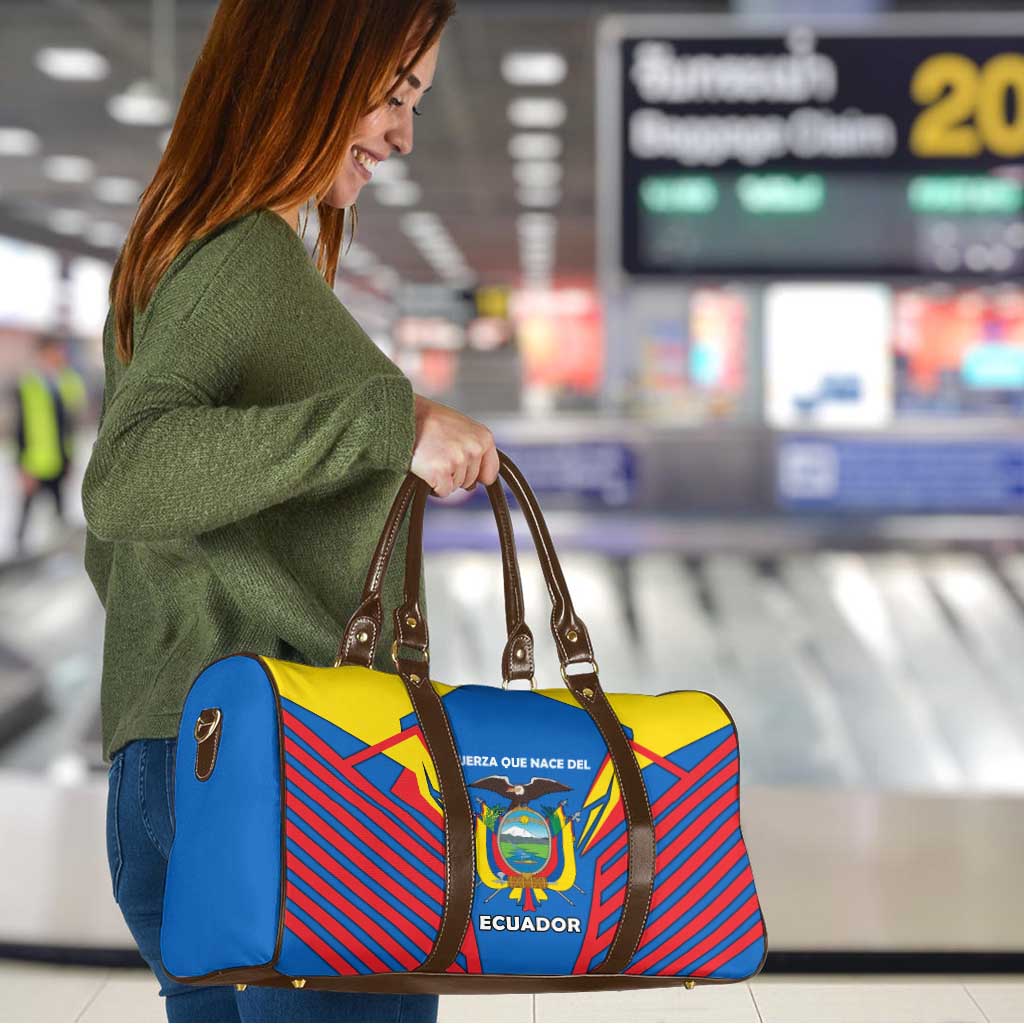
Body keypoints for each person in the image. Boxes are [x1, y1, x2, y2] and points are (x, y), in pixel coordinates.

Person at [81, 2, 496, 1021]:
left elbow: (131, 539)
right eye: (395, 94)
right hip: (296, 773)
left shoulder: (186, 252)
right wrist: (384, 424)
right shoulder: (240, 260)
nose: (402, 132)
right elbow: (126, 477)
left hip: (184, 757)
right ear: (307, 64)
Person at [11, 332, 85, 555]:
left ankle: (59, 553)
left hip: (60, 459)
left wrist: (70, 458)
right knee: (26, 512)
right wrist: (22, 466)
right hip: (35, 462)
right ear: (42, 353)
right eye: (54, 351)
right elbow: (20, 428)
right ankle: (18, 554)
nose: (58, 355)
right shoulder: (28, 385)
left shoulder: (64, 381)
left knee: (60, 511)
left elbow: (72, 416)